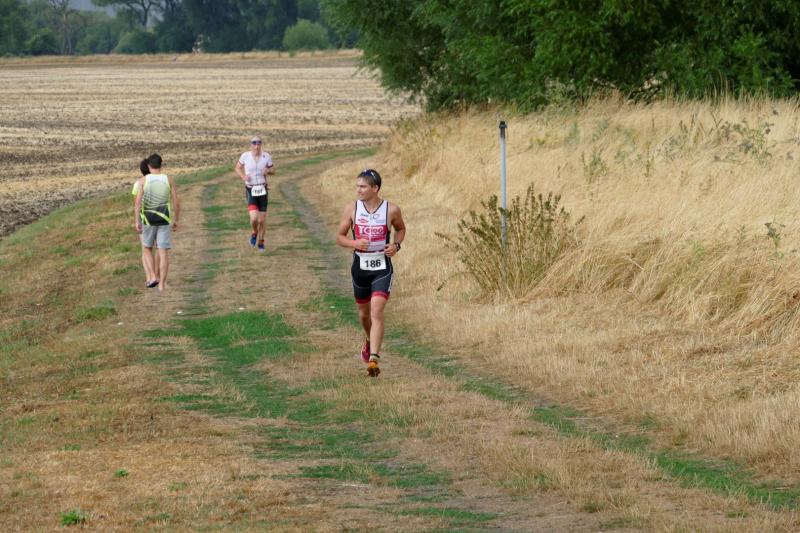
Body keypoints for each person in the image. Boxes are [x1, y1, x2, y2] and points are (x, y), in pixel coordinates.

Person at [335, 169, 406, 377]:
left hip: (382, 267)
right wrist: (354, 243)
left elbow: (401, 229)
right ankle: (369, 340)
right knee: (364, 314)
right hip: (360, 267)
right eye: (357, 186)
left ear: (375, 188)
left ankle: (374, 360)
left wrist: (396, 246)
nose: (358, 190)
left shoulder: (391, 209)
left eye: (363, 187)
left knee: (376, 310)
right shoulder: (352, 209)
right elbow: (339, 237)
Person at [133, 154, 179, 291]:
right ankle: (162, 285)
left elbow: (137, 202)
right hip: (164, 219)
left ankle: (152, 276)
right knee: (163, 252)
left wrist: (137, 220)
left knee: (147, 247)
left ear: (149, 166)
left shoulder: (143, 180)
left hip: (148, 219)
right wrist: (176, 219)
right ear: (161, 165)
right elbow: (176, 202)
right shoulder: (169, 179)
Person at [234, 136, 274, 252]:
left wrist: (268, 171)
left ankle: (261, 242)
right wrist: (243, 176)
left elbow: (273, 170)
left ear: (261, 145)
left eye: (259, 144)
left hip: (262, 189)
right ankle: (254, 232)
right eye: (254, 144)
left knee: (262, 220)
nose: (256, 146)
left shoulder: (266, 156)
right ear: (251, 145)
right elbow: (237, 168)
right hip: (251, 189)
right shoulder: (245, 156)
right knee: (254, 218)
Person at [132, 159, 159, 288]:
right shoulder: (159, 181)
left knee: (145, 249)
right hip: (158, 217)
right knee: (159, 248)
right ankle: (156, 275)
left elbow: (136, 203)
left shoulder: (138, 183)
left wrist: (136, 219)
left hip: (144, 219)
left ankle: (149, 277)